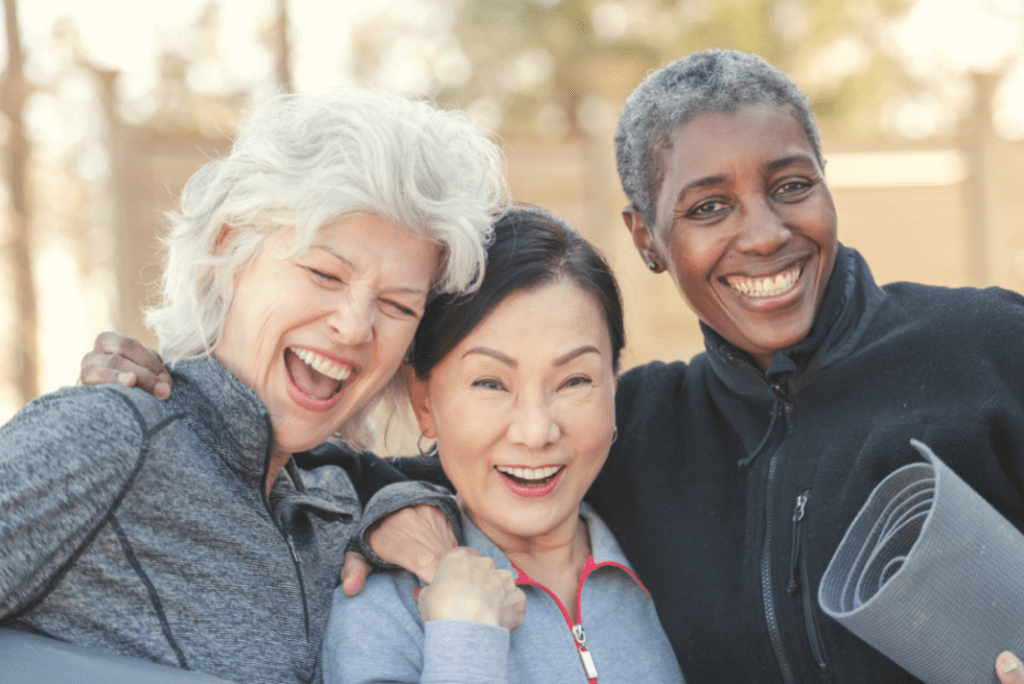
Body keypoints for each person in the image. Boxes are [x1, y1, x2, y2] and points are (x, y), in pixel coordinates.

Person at [78, 51, 1024, 684]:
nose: (764, 234)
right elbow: (367, 460)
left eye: (791, 186)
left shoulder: (986, 346)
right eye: (706, 208)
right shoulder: (641, 428)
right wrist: (184, 401)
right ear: (647, 240)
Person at [0, 87, 511, 684]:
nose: (353, 326)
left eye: (397, 306)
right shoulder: (111, 438)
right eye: (324, 273)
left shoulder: (334, 504)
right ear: (229, 250)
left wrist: (394, 507)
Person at [322, 206, 684, 684]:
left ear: (613, 388)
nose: (536, 432)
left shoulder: (670, 562)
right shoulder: (382, 610)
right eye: (491, 383)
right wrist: (464, 642)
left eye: (575, 380)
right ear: (424, 401)